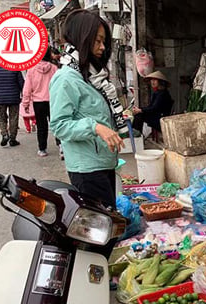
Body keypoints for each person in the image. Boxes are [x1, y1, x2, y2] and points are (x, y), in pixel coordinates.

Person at [50, 9, 126, 210]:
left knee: (107, 226)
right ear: (82, 39)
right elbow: (59, 125)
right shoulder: (66, 78)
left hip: (104, 163)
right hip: (87, 170)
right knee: (100, 233)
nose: (102, 47)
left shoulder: (92, 77)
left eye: (104, 42)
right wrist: (96, 127)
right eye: (97, 41)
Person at [22, 47, 57, 157]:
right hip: (53, 101)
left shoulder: (31, 70)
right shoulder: (54, 68)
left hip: (38, 102)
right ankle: (61, 147)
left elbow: (27, 88)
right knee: (57, 124)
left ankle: (42, 149)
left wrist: (25, 104)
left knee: (41, 126)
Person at [131, 70, 174, 136]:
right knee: (138, 114)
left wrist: (140, 110)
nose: (152, 82)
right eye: (152, 80)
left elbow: (154, 108)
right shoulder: (157, 92)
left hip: (160, 118)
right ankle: (135, 135)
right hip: (156, 115)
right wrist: (139, 110)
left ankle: (136, 136)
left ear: (160, 82)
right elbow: (150, 107)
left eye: (155, 80)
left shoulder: (162, 94)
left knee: (139, 116)